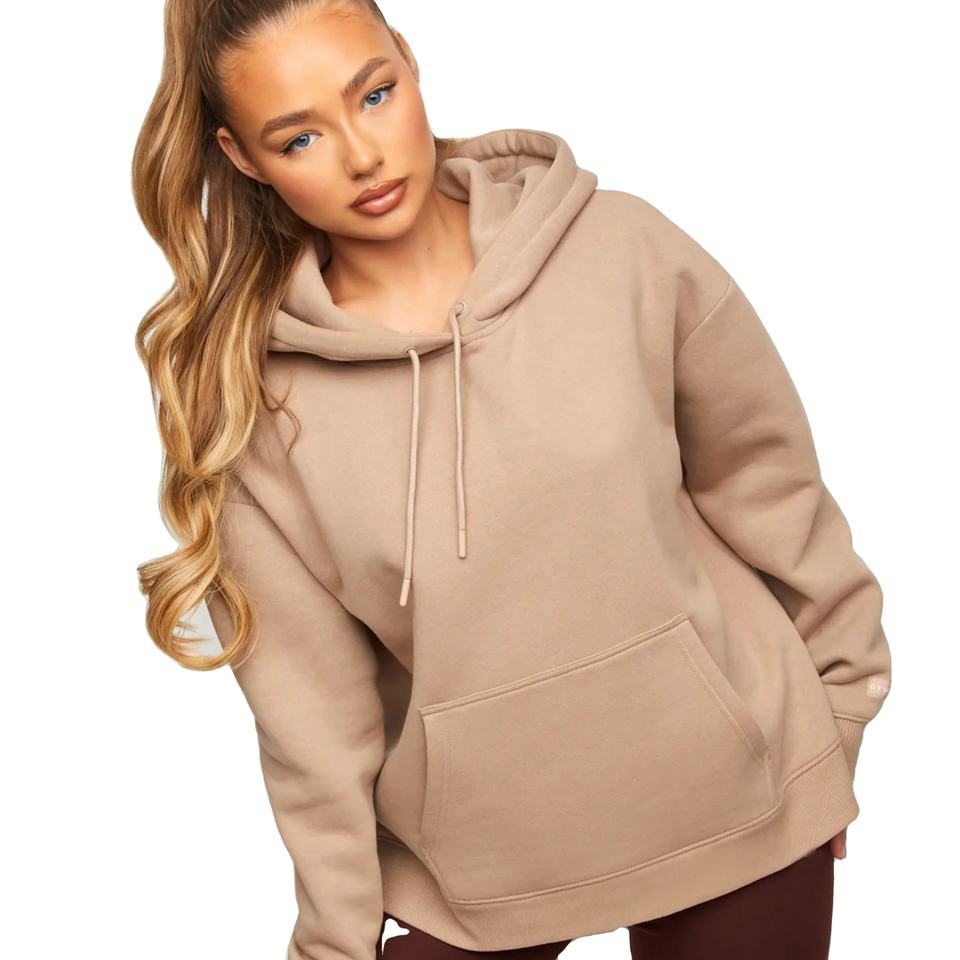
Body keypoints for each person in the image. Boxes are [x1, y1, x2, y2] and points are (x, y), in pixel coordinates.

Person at [132, 2, 893, 959]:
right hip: (479, 871)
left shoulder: (619, 249)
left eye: (375, 94)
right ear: (242, 157)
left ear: (410, 60)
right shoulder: (257, 408)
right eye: (300, 138)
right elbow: (312, 725)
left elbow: (773, 491)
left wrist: (842, 715)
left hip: (746, 808)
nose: (363, 156)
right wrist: (335, 940)